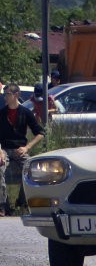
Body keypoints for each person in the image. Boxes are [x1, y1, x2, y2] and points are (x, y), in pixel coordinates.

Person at [0, 82, 45, 216]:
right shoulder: (1, 113)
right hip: (4, 148)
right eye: (4, 94)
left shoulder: (25, 112)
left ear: (16, 95)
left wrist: (27, 147)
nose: (4, 97)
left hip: (20, 149)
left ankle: (22, 202)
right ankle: (3, 204)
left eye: (7, 94)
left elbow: (40, 133)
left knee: (31, 168)